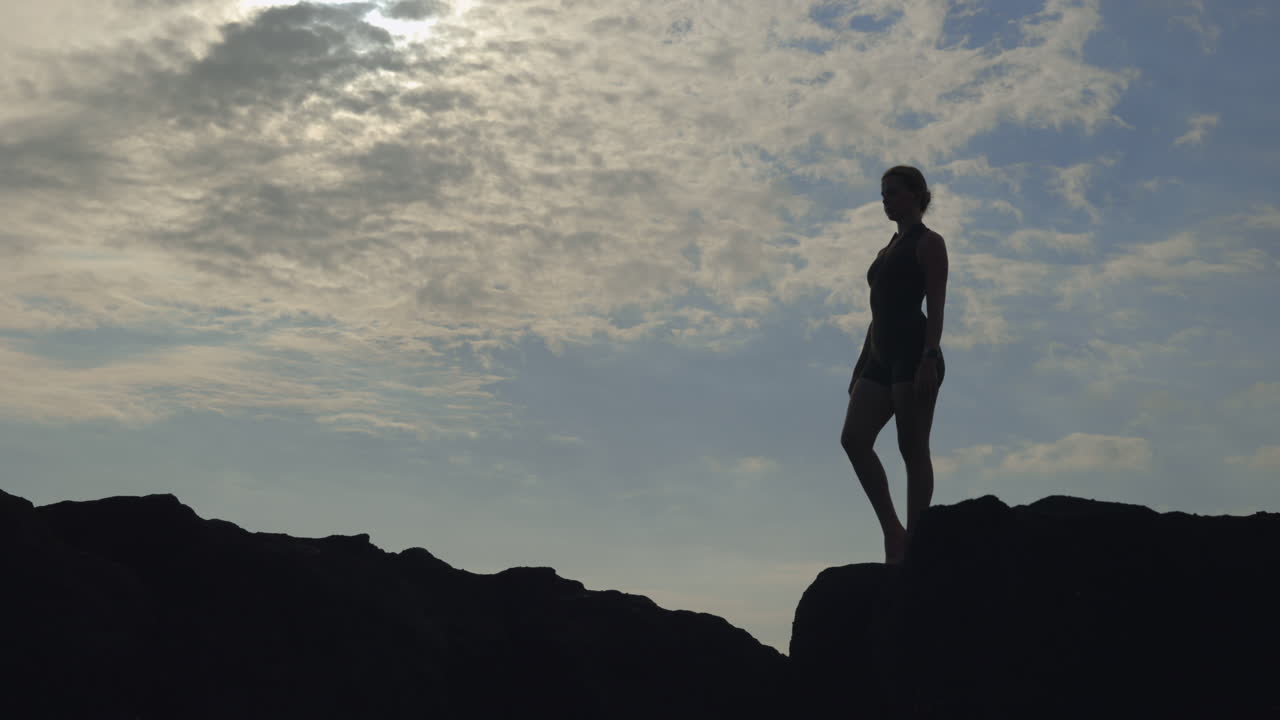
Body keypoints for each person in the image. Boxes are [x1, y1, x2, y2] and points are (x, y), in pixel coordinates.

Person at [840, 166, 948, 565]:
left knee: (912, 447)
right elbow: (878, 313)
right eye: (883, 193)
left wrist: (930, 356)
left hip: (914, 353)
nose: (886, 200)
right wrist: (860, 365)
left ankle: (917, 538)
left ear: (917, 195)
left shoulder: (929, 242)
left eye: (893, 193)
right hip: (879, 356)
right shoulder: (887, 247)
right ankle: (893, 529)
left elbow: (935, 305)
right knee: (854, 439)